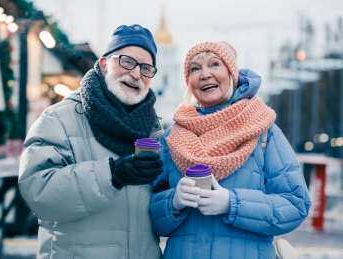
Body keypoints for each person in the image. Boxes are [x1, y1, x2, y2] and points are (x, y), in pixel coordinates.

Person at [150, 41, 311, 259]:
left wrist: (232, 203)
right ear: (189, 82)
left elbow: (296, 205)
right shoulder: (172, 139)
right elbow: (145, 213)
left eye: (214, 64)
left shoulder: (263, 132)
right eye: (195, 69)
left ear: (231, 74)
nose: (205, 74)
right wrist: (173, 203)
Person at [18, 24, 164, 259]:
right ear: (104, 64)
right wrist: (112, 175)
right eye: (127, 61)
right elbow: (38, 192)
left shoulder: (154, 131)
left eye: (146, 68)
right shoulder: (58, 119)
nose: (136, 74)